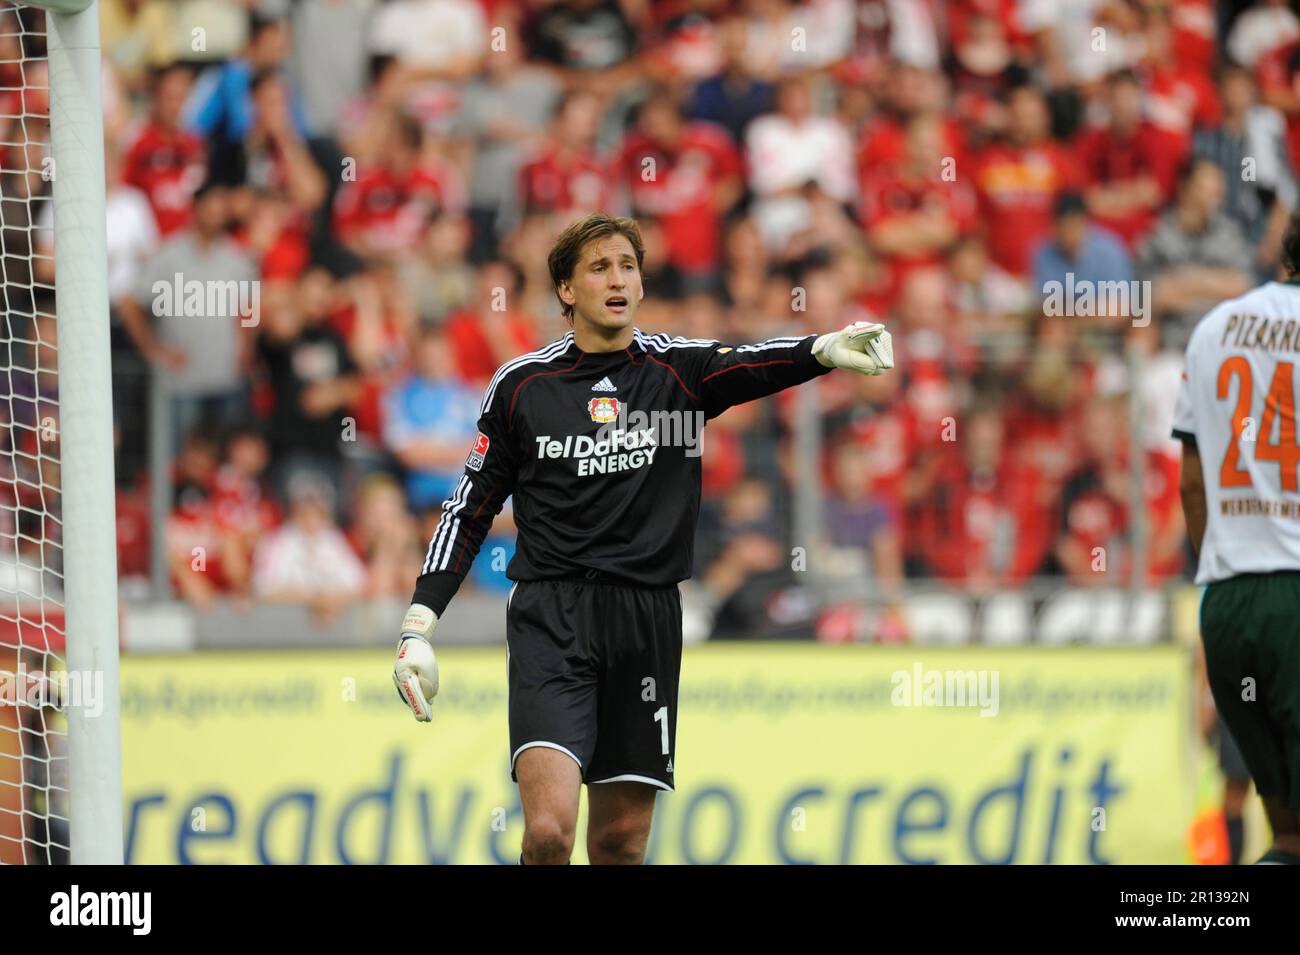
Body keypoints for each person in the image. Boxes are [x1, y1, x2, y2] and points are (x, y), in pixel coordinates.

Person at [390, 212, 894, 865]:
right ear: (566, 289)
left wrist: (821, 350)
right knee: (548, 831)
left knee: (620, 842)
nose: (618, 278)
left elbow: (747, 364)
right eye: (599, 266)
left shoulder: (675, 372)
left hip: (646, 617)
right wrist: (418, 623)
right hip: (552, 613)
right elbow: (468, 507)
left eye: (628, 265)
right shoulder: (522, 386)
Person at [1173, 214, 1300, 865]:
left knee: (1282, 833)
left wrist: (1220, 567)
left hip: (1228, 604)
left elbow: (1191, 485)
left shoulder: (1214, 328)